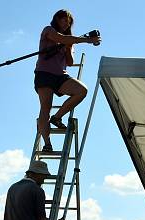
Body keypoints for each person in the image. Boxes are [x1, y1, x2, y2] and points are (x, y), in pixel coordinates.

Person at [34, 9, 101, 152]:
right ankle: (47, 144)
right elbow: (60, 38)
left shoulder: (69, 39)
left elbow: (70, 62)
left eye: (69, 22)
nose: (67, 23)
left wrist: (69, 47)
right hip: (44, 73)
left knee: (81, 91)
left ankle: (57, 117)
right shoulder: (49, 30)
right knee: (45, 107)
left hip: (60, 75)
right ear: (57, 19)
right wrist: (86, 40)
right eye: (64, 20)